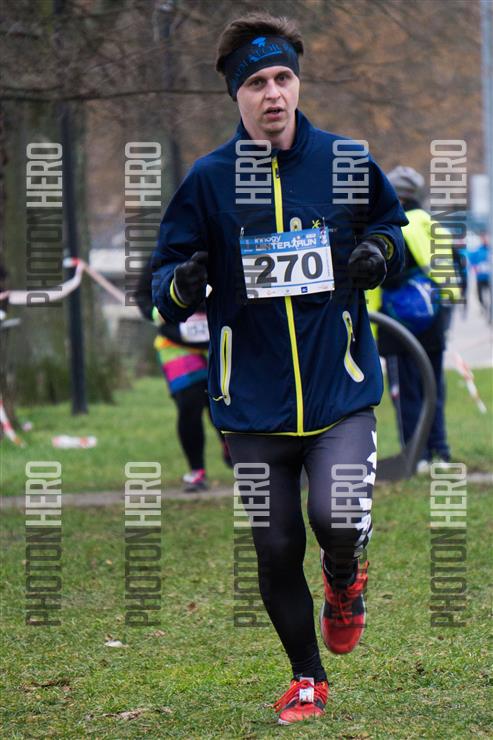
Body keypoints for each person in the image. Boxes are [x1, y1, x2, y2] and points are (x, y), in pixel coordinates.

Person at [152, 12, 406, 725]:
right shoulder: (208, 181)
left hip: (339, 391)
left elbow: (392, 230)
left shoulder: (345, 161)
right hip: (250, 403)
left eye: (283, 78)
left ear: (297, 84)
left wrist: (378, 253)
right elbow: (162, 283)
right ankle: (306, 678)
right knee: (274, 545)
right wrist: (184, 284)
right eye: (258, 82)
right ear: (236, 94)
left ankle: (343, 574)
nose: (273, 93)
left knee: (335, 517)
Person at [372, 166, 461, 473]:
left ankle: (416, 454)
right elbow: (454, 269)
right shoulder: (433, 225)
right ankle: (440, 450)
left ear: (395, 196)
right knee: (433, 388)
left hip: (398, 325)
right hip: (433, 321)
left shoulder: (393, 228)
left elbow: (384, 278)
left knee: (406, 393)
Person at [136, 258, 231, 491]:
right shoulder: (164, 253)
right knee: (189, 403)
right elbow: (142, 294)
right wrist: (157, 313)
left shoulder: (222, 246)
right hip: (176, 345)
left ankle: (231, 448)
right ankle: (197, 471)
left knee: (226, 402)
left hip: (221, 340)